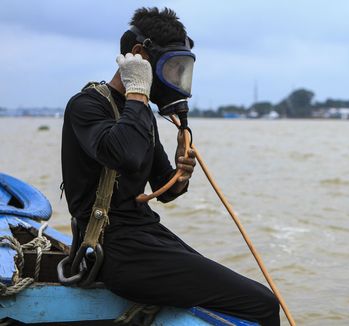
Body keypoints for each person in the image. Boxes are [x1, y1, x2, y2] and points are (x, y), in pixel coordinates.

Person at [61, 7, 280, 326]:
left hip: (146, 235)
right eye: (172, 68)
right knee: (261, 303)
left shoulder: (142, 115)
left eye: (182, 69)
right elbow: (124, 155)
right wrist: (137, 92)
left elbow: (165, 190)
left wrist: (182, 172)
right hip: (114, 248)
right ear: (139, 55)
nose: (177, 79)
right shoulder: (87, 105)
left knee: (244, 296)